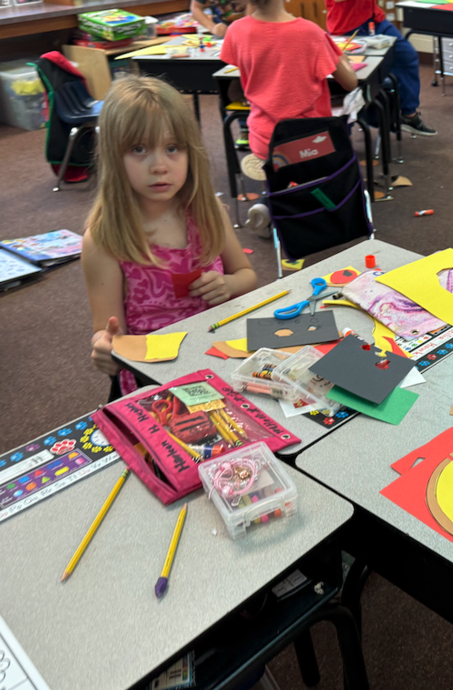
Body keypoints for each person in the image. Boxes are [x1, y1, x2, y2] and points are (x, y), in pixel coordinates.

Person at [83, 76, 257, 399]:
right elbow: (104, 330)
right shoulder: (105, 239)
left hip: (221, 357)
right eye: (139, 149)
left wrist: (229, 285)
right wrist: (104, 348)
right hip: (155, 378)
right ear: (113, 156)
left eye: (172, 148)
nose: (159, 166)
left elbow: (246, 275)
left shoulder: (207, 212)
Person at [221, 0, 359, 164]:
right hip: (310, 139)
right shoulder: (310, 32)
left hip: (264, 138)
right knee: (315, 186)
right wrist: (342, 58)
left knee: (278, 184)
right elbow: (350, 83)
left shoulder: (236, 30)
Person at [326, 0, 438, 136]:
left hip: (375, 20)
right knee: (352, 79)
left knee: (407, 57)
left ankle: (409, 115)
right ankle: (343, 139)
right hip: (347, 25)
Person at [190, 0, 252, 148]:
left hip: (252, 34)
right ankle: (245, 128)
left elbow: (255, 5)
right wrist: (213, 28)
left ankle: (252, 128)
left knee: (248, 80)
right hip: (227, 37)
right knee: (232, 84)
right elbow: (195, 7)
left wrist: (247, 28)